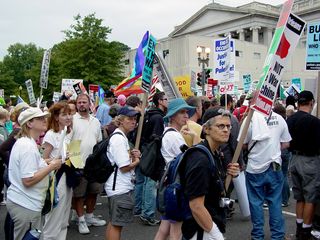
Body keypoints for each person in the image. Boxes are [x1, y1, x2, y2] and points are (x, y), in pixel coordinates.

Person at [181, 108, 240, 240]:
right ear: (206, 129)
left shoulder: (215, 154)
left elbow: (214, 189)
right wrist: (217, 235)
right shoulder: (200, 159)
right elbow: (196, 205)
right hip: (200, 231)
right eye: (220, 126)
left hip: (209, 225)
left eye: (228, 126)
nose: (226, 130)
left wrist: (229, 174)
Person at [6, 107, 62, 240]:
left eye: (44, 117)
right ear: (29, 123)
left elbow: (32, 167)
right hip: (26, 204)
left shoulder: (27, 143)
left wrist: (47, 162)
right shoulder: (27, 146)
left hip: (26, 203)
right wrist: (52, 166)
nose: (45, 120)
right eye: (40, 118)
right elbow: (28, 179)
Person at [243, 109, 291, 240]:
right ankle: (278, 235)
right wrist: (273, 147)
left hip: (255, 167)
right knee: (275, 201)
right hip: (274, 165)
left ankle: (257, 235)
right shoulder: (279, 118)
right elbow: (286, 143)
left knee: (256, 202)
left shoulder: (250, 119)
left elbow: (242, 143)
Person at [154, 98, 195, 240]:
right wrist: (195, 139)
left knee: (164, 229)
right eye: (182, 112)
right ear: (172, 116)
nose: (186, 115)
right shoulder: (174, 136)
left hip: (169, 185)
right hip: (177, 187)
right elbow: (190, 161)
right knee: (176, 232)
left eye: (187, 112)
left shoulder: (168, 133)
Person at [69, 93, 105, 234]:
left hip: (93, 165)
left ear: (90, 104)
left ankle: (89, 216)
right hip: (78, 163)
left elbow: (98, 142)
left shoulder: (95, 121)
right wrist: (74, 162)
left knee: (93, 191)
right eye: (79, 102)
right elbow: (68, 142)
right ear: (77, 104)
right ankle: (81, 220)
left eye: (84, 102)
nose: (82, 104)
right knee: (79, 194)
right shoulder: (72, 120)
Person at [287, 90, 320, 239]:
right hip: (310, 161)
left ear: (298, 103)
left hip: (293, 158)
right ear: (311, 103)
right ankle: (306, 230)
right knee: (310, 197)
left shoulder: (290, 120)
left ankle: (299, 227)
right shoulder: (315, 122)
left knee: (299, 196)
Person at [105, 106, 141, 240]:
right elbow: (124, 167)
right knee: (117, 224)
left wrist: (133, 156)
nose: (133, 122)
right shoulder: (119, 139)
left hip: (117, 186)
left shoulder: (120, 137)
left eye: (135, 119)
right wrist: (137, 161)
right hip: (120, 187)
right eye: (129, 119)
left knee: (114, 222)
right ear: (120, 120)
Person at [42, 101, 73, 240]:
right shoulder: (51, 135)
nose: (68, 117)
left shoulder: (66, 133)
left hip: (68, 176)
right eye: (64, 114)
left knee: (64, 216)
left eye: (69, 114)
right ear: (55, 117)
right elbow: (43, 160)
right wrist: (56, 161)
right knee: (54, 215)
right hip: (56, 178)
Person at [135, 92, 168, 226]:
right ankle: (147, 214)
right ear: (160, 101)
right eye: (166, 99)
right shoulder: (158, 118)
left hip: (144, 149)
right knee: (150, 183)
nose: (168, 101)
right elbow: (157, 138)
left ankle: (139, 208)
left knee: (141, 181)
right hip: (152, 152)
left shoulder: (148, 114)